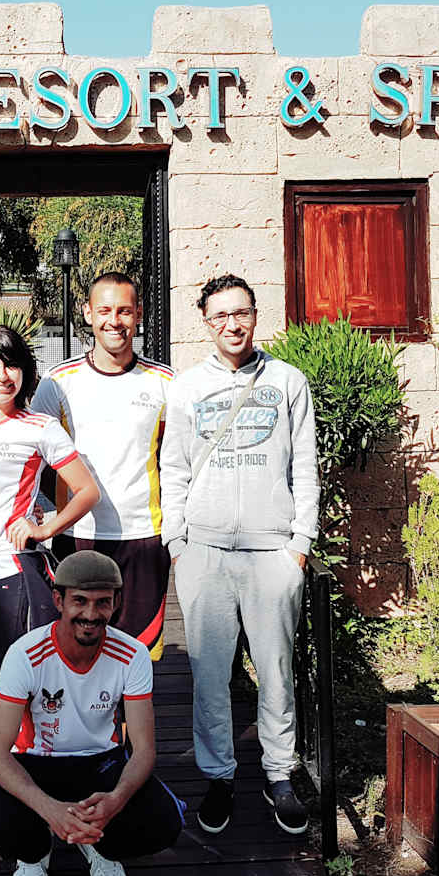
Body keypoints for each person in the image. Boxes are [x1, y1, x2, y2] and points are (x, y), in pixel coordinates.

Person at [159, 274, 319, 837]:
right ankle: (219, 776)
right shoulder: (187, 387)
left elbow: (305, 466)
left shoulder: (288, 381)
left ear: (255, 314)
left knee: (276, 671)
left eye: (241, 312)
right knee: (209, 676)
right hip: (204, 552)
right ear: (206, 323)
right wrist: (177, 543)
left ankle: (279, 773)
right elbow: (173, 468)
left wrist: (300, 544)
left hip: (272, 551)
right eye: (221, 315)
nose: (233, 324)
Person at [0, 325, 102, 856]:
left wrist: (44, 526)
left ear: (25, 372)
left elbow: (86, 491)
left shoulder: (40, 427)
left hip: (13, 575)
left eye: (10, 364)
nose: (0, 375)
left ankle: (16, 814)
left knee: (28, 697)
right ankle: (25, 791)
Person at [0, 551, 184, 876]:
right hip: (36, 762)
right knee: (1, 828)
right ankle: (34, 856)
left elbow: (144, 749)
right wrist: (49, 809)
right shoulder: (25, 654)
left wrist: (115, 801)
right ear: (58, 600)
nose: (91, 614)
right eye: (79, 601)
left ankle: (98, 844)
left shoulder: (133, 654)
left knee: (163, 823)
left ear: (116, 603)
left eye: (102, 602)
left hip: (99, 762)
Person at [31, 272, 175, 660]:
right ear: (88, 313)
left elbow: (176, 460)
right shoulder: (58, 382)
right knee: (78, 650)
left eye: (125, 311)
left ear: (139, 314)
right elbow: (34, 456)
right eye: (105, 310)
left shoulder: (164, 381)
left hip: (143, 535)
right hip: (77, 534)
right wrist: (41, 513)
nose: (115, 321)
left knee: (139, 653)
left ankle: (134, 705)